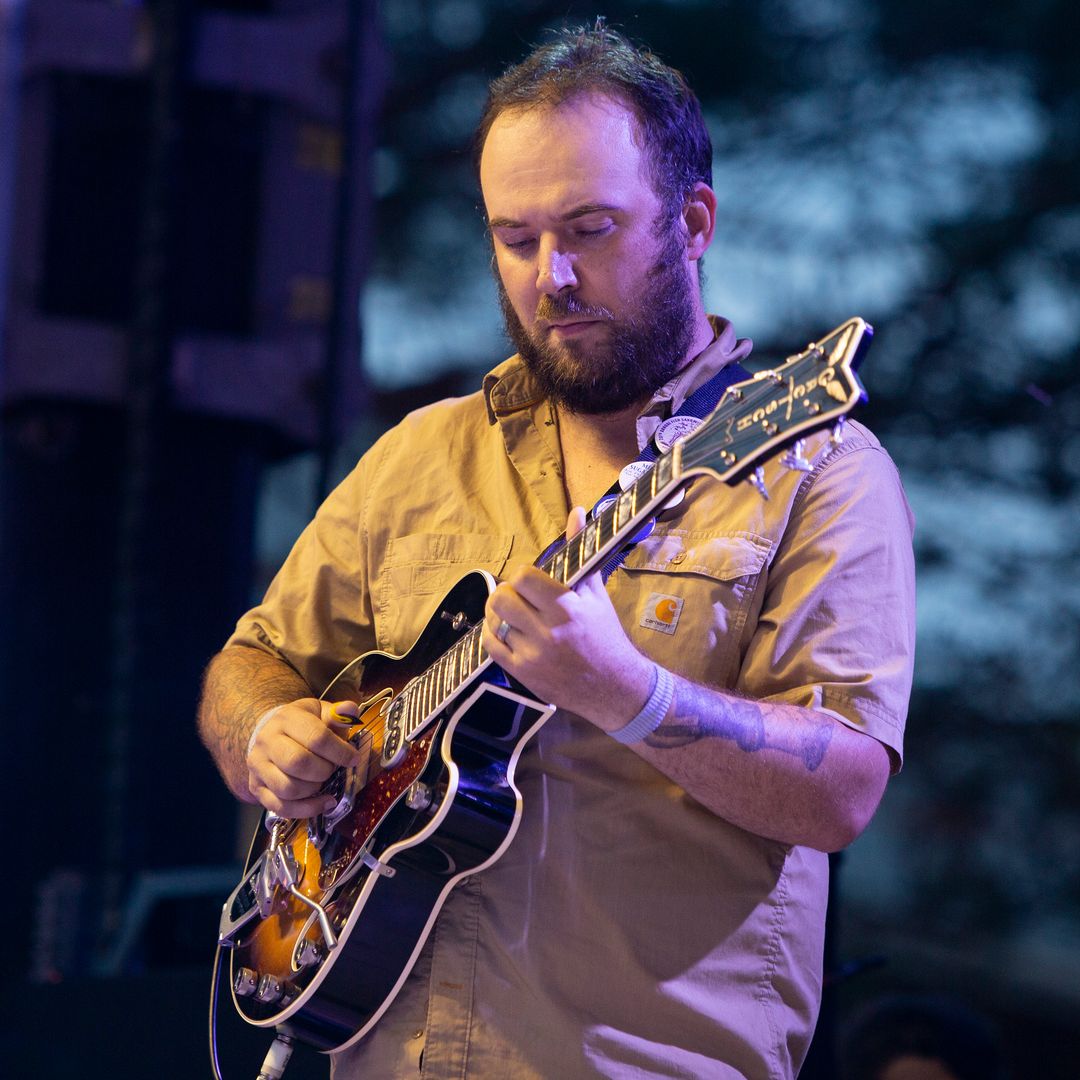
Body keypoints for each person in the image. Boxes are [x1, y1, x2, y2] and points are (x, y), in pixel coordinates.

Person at [199, 23, 915, 1079]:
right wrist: (264, 733)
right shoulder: (423, 454)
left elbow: (843, 789)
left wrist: (628, 692)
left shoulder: (821, 471)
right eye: (516, 238)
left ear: (695, 222)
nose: (553, 277)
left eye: (591, 227)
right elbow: (247, 664)